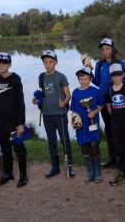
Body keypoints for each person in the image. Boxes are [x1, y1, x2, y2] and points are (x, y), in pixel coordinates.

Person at [33, 50, 75, 178]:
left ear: (55, 62)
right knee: (51, 142)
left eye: (50, 62)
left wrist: (64, 102)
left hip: (60, 114)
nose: (48, 65)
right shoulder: (41, 77)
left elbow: (69, 95)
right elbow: (42, 95)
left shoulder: (60, 76)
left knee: (64, 140)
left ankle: (69, 166)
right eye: (45, 62)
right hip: (46, 114)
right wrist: (37, 101)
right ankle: (55, 167)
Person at [0, 52, 28, 187]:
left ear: (9, 64)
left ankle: (23, 176)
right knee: (6, 150)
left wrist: (21, 124)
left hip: (13, 122)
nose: (1, 65)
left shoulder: (15, 80)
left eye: (4, 63)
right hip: (0, 123)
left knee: (19, 149)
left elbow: (21, 103)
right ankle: (8, 174)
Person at [92, 38, 125, 168]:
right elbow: (97, 82)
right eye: (103, 49)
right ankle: (112, 157)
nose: (105, 51)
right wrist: (89, 72)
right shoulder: (99, 64)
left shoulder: (120, 63)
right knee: (109, 129)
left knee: (119, 130)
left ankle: (122, 158)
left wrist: (115, 82)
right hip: (104, 102)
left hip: (118, 101)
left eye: (107, 48)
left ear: (112, 49)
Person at [70, 66, 103, 183]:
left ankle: (98, 172)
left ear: (90, 79)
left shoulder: (95, 91)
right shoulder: (75, 92)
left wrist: (94, 112)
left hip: (92, 124)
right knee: (85, 148)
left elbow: (102, 105)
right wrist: (74, 120)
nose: (83, 81)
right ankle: (90, 172)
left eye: (85, 78)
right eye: (80, 78)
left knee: (94, 146)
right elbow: (73, 109)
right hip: (81, 126)